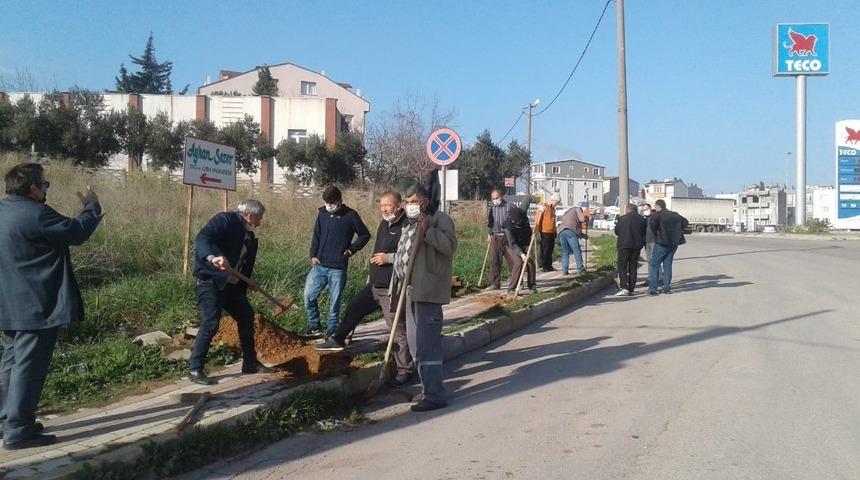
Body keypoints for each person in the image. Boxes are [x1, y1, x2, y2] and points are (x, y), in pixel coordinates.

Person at [0, 163, 102, 449]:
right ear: (32, 188)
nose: (47, 189)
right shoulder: (36, 213)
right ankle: (18, 430)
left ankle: (7, 420)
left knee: (11, 363)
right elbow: (77, 232)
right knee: (28, 368)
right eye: (45, 184)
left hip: (8, 303)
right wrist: (92, 207)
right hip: (36, 305)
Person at [316, 192, 415, 385]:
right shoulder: (384, 224)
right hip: (374, 284)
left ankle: (405, 370)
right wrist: (371, 275)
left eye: (388, 205)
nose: (384, 209)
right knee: (355, 307)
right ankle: (337, 339)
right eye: (382, 205)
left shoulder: (407, 226)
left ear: (398, 206)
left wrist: (389, 258)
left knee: (397, 329)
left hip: (391, 287)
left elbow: (411, 254)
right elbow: (376, 250)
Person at [189, 199, 276, 385]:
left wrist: (248, 281)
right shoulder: (225, 220)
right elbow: (202, 238)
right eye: (259, 218)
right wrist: (212, 258)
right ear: (248, 215)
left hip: (233, 285)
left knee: (246, 316)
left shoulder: (248, 235)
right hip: (211, 282)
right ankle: (195, 369)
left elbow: (241, 262)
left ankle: (250, 363)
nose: (260, 223)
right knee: (211, 322)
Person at [395, 182, 456, 412]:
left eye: (414, 201)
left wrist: (429, 230)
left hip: (428, 292)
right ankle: (427, 388)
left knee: (427, 346)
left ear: (425, 201)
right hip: (411, 292)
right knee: (415, 346)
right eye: (407, 201)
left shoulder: (439, 219)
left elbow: (449, 246)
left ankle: (435, 395)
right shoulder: (409, 224)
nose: (409, 205)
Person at [299, 185, 370, 339]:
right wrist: (313, 255)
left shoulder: (351, 215)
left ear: (339, 201)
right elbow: (316, 235)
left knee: (334, 302)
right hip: (319, 264)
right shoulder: (322, 213)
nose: (329, 206)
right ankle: (314, 326)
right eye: (326, 202)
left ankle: (332, 330)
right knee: (308, 296)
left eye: (331, 203)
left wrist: (352, 249)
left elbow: (365, 235)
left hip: (338, 267)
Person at [648, 199, 689, 295]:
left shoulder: (658, 215)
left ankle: (653, 289)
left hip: (661, 242)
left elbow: (652, 224)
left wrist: (657, 233)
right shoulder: (675, 214)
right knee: (667, 265)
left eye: (655, 207)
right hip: (673, 243)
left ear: (658, 207)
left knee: (654, 265)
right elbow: (685, 222)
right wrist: (677, 231)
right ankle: (666, 288)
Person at [486, 189, 517, 290]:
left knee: (512, 261)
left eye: (497, 198)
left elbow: (515, 219)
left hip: (508, 236)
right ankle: (495, 283)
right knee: (495, 260)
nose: (495, 200)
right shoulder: (492, 208)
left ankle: (517, 282)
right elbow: (490, 222)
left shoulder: (510, 206)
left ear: (501, 197)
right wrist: (489, 234)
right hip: (496, 236)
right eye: (493, 198)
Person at [613, 204, 647, 296]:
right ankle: (632, 288)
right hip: (636, 245)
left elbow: (616, 231)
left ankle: (624, 287)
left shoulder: (622, 218)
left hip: (624, 245)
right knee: (633, 267)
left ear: (627, 210)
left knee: (622, 266)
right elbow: (644, 232)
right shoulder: (641, 219)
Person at [503, 206, 537, 293]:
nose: (515, 223)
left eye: (517, 222)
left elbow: (529, 232)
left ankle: (532, 286)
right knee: (518, 263)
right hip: (511, 246)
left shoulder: (524, 219)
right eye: (514, 221)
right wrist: (522, 254)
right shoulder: (507, 226)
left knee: (530, 261)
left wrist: (533, 233)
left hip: (525, 242)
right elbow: (513, 244)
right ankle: (511, 288)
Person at [558, 203, 586, 275]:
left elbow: (577, 228)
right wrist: (586, 218)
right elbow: (582, 219)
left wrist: (583, 235)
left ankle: (565, 270)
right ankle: (580, 269)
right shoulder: (577, 209)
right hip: (570, 231)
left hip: (561, 231)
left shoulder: (567, 212)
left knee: (565, 252)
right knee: (576, 251)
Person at [536, 193, 560, 272]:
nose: (556, 205)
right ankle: (544, 266)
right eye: (556, 203)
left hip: (552, 231)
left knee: (550, 249)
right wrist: (536, 228)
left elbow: (553, 221)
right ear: (553, 200)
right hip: (545, 231)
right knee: (545, 249)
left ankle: (549, 266)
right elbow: (538, 217)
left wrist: (555, 231)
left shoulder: (552, 209)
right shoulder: (544, 206)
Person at [639, 203, 661, 287]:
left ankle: (659, 278)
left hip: (655, 241)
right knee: (649, 261)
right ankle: (650, 279)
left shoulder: (655, 217)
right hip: (647, 242)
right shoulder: (644, 218)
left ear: (650, 208)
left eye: (646, 209)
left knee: (656, 261)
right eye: (644, 210)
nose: (645, 211)